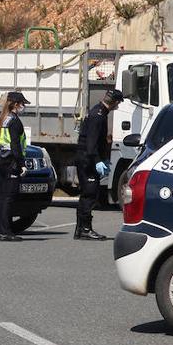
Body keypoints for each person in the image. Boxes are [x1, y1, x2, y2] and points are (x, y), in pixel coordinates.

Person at [74, 88, 122, 241]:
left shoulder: (98, 111)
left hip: (86, 157)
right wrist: (97, 161)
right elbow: (91, 143)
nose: (118, 106)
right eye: (118, 103)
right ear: (114, 102)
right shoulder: (98, 116)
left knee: (86, 195)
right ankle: (85, 229)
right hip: (88, 159)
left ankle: (80, 229)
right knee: (89, 194)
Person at [0, 90, 28, 241]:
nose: (23, 106)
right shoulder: (14, 121)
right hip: (12, 162)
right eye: (22, 104)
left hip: (3, 160)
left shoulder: (4, 119)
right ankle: (6, 231)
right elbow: (16, 145)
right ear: (15, 104)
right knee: (8, 198)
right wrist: (21, 164)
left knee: (2, 197)